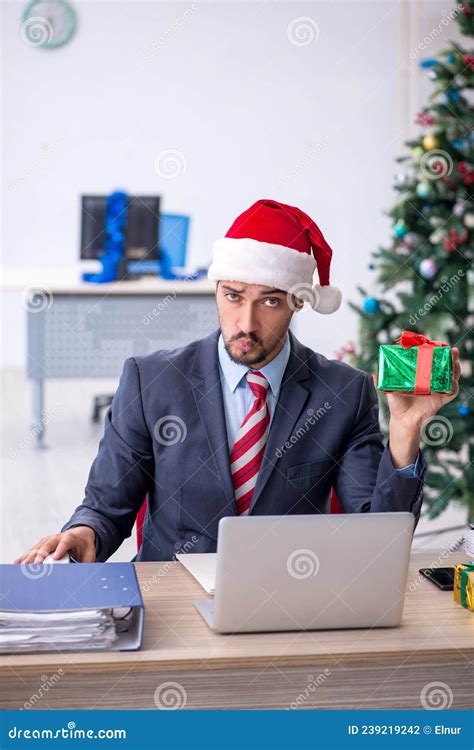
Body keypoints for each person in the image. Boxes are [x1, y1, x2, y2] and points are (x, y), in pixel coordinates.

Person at [15, 199, 460, 564]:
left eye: (269, 302)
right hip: (171, 596)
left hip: (292, 597)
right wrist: (82, 534)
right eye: (233, 296)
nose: (246, 323)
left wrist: (405, 432)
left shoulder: (343, 392)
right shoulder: (150, 381)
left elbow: (377, 542)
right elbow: (106, 507)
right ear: (216, 292)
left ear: (297, 304)